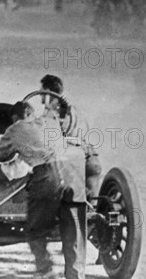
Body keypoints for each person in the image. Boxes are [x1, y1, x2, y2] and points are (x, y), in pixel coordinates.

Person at [0, 101, 86, 279]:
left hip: (46, 177)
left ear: (19, 116)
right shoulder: (50, 120)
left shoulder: (14, 128)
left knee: (35, 234)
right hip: (72, 173)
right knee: (73, 233)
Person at [40, 74, 102, 203]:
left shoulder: (53, 112)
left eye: (42, 93)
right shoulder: (76, 110)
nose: (40, 98)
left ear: (47, 92)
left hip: (69, 160)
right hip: (90, 157)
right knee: (91, 205)